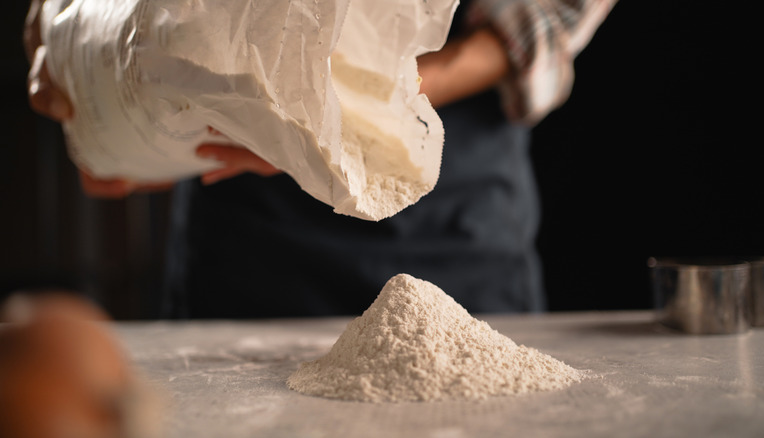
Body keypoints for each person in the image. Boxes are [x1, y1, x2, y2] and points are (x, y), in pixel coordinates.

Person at [25, 0, 617, 318]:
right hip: (244, 234)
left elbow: (544, 17)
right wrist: (85, 59)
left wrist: (337, 111)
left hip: (450, 226)